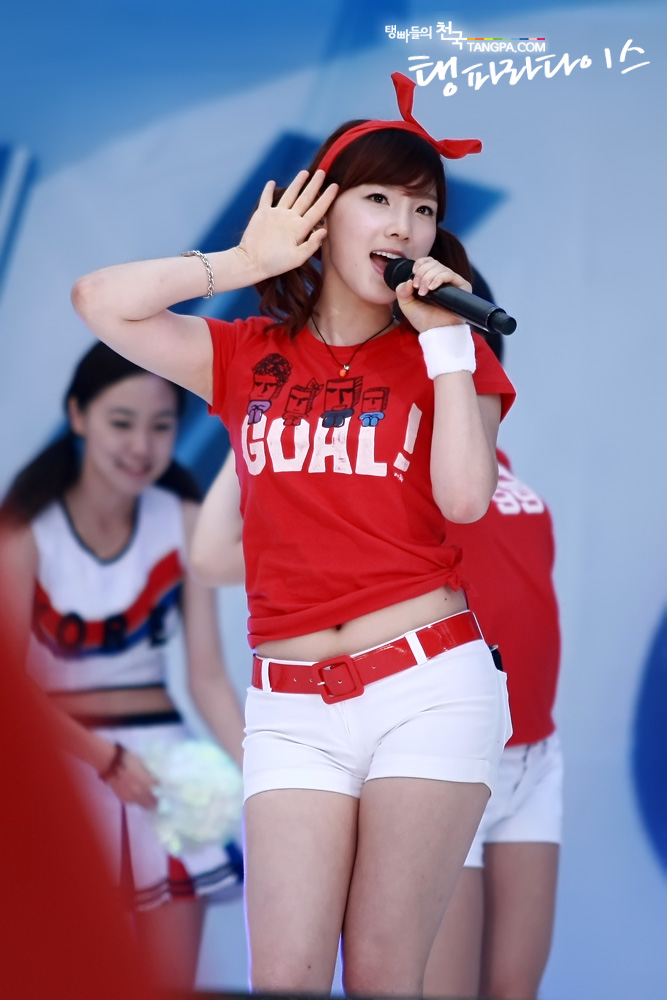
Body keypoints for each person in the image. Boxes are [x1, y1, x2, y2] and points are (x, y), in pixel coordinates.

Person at [69, 72, 516, 996]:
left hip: (428, 687)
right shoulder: (247, 354)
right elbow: (99, 300)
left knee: (384, 971)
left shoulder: (448, 355)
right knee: (285, 974)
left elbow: (466, 500)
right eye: (378, 199)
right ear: (321, 210)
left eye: (423, 210)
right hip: (290, 706)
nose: (403, 226)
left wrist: (444, 343)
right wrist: (240, 263)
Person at [0, 342, 246, 990]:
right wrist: (102, 758)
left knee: (167, 985)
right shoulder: (25, 533)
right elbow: (9, 689)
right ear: (77, 415)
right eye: (121, 422)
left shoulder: (183, 519)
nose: (141, 445)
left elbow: (207, 678)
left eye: (160, 426)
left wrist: (270, 779)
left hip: (167, 778)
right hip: (64, 768)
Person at [423, 325, 562, 1000]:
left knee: (513, 989)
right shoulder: (412, 477)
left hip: (533, 757)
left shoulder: (503, 476)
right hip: (446, 756)